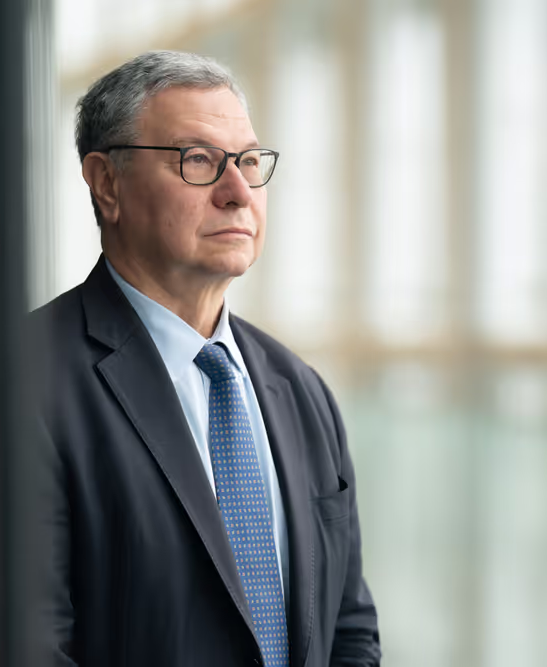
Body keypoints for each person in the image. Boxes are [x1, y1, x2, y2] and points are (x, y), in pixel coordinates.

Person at [32, 50, 380, 667]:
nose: (238, 192)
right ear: (106, 183)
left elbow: (348, 631)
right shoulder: (25, 385)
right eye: (198, 160)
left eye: (248, 161)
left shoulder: (303, 393)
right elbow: (27, 645)